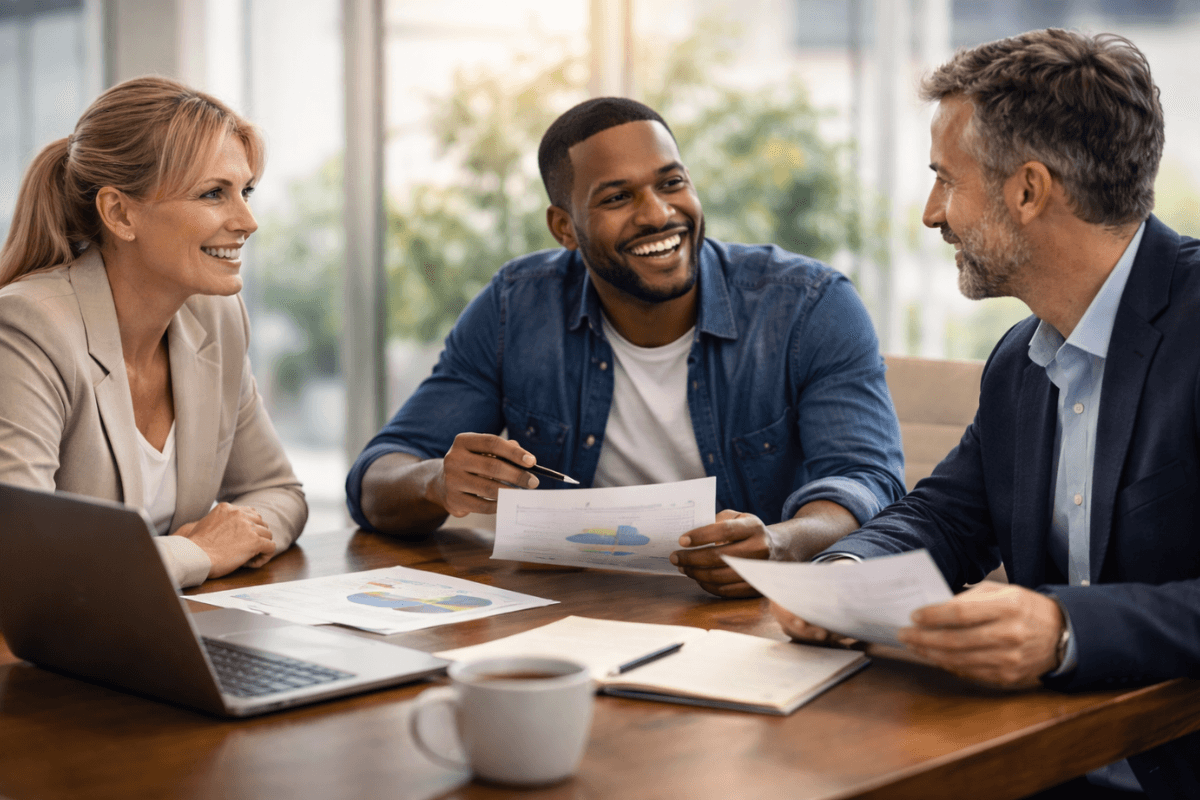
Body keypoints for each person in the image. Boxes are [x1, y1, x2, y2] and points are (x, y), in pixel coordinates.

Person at [771, 29, 1200, 798]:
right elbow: (945, 516)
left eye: (945, 179)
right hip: (1038, 761)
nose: (932, 214)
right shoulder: (1020, 359)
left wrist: (1065, 630)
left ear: (1028, 190)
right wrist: (844, 575)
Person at [346, 97, 905, 597]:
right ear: (565, 228)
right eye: (617, 197)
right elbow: (377, 475)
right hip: (577, 611)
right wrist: (436, 482)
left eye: (671, 183)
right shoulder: (516, 306)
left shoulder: (808, 304)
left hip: (750, 614)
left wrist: (780, 543)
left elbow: (868, 481)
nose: (659, 214)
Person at [0, 76, 307, 589]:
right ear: (120, 213)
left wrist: (228, 539)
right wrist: (195, 552)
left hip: (154, 631)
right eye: (214, 194)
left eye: (245, 191)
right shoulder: (29, 329)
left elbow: (278, 491)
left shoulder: (217, 318)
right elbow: (22, 559)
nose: (247, 220)